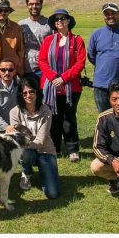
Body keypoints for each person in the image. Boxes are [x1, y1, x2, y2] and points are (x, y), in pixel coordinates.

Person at [37, 9, 86, 163]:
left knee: (69, 118)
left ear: (68, 21)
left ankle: (72, 149)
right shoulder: (48, 41)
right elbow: (42, 61)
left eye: (63, 18)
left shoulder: (77, 41)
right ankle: (55, 147)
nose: (60, 21)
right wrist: (53, 78)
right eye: (57, 19)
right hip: (51, 87)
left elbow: (80, 63)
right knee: (53, 119)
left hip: (71, 87)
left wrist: (63, 78)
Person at [8, 77, 60, 199]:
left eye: (32, 92)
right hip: (27, 152)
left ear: (37, 92)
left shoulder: (46, 111)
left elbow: (41, 141)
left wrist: (23, 142)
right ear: (20, 95)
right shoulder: (14, 112)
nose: (28, 95)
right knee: (25, 152)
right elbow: (16, 139)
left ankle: (44, 171)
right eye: (24, 93)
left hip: (45, 151)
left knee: (52, 194)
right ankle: (27, 172)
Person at [0, 0, 25, 81]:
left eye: (6, 10)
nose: (3, 13)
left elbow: (20, 50)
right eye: (0, 10)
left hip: (11, 70)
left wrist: (19, 69)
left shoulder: (16, 27)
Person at [19, 0, 52, 83]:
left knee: (43, 96)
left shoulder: (49, 24)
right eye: (31, 4)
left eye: (37, 4)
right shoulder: (21, 24)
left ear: (41, 5)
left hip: (44, 69)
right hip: (25, 68)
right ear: (27, 6)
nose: (34, 6)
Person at [0, 59, 20, 133]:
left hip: (17, 125)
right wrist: (6, 127)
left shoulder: (21, 86)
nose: (7, 73)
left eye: (10, 70)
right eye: (3, 70)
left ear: (14, 72)